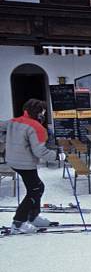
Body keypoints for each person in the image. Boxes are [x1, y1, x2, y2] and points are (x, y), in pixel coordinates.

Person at [0, 99, 62, 233]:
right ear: (38, 113)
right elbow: (39, 151)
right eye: (43, 112)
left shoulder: (14, 121)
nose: (44, 115)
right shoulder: (36, 127)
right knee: (35, 190)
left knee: (37, 187)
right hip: (24, 163)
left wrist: (5, 138)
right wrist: (57, 156)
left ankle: (32, 217)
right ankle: (18, 222)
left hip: (13, 161)